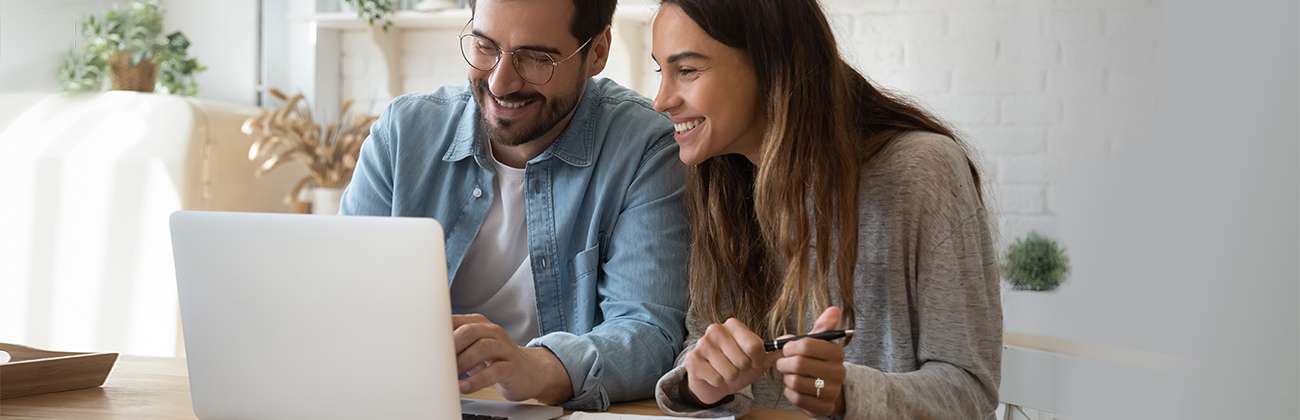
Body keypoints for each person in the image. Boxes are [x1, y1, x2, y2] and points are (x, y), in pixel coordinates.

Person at [649, 0, 1003, 418]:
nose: (660, 100)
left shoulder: (922, 171)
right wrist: (700, 382)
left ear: (771, 64)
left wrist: (842, 393)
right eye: (661, 71)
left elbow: (970, 392)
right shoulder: (723, 183)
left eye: (687, 70)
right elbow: (700, 343)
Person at [341, 0, 690, 411]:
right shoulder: (402, 135)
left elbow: (650, 334)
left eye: (536, 58)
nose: (500, 83)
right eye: (485, 46)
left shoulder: (645, 148)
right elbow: (341, 302)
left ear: (597, 52)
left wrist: (536, 367)